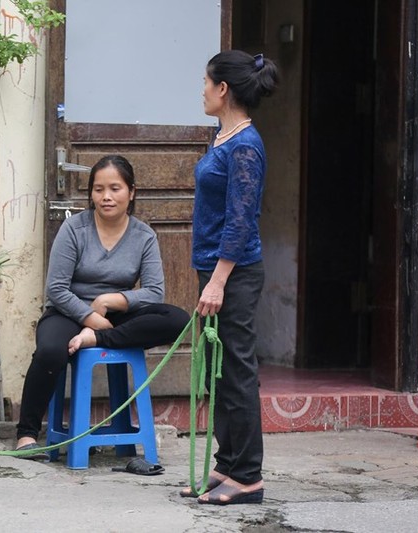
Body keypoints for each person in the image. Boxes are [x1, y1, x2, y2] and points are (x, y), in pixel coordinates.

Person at [14, 155, 191, 462]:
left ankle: (97, 340)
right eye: (98, 189)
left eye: (115, 188)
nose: (106, 197)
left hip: (115, 316)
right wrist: (90, 316)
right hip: (68, 310)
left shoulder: (143, 235)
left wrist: (109, 303)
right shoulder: (74, 229)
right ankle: (26, 434)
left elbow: (153, 291)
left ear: (131, 192)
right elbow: (56, 288)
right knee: (51, 350)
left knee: (177, 319)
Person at [179, 50, 278, 504]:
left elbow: (241, 221)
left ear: (224, 90)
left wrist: (218, 281)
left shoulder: (245, 146)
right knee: (217, 372)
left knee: (236, 370)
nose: (201, 89)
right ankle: (227, 465)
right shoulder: (222, 137)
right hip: (213, 270)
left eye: (205, 82)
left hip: (233, 274)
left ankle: (249, 476)